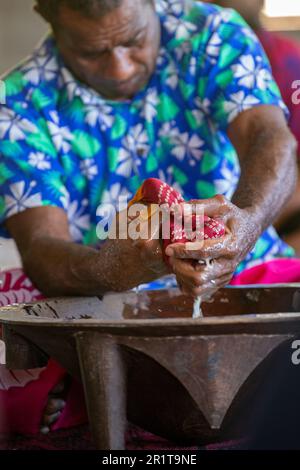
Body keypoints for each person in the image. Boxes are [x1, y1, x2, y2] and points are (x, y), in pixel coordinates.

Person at [0, 0, 297, 441]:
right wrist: (109, 270)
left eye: (134, 41)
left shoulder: (211, 33)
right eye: (92, 52)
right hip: (102, 307)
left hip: (248, 272)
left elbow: (268, 136)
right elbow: (43, 248)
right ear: (47, 13)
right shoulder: (17, 106)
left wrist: (247, 222)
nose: (119, 68)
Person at [203, 0, 300, 253]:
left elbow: (277, 144)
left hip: (281, 214)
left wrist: (253, 220)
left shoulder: (287, 62)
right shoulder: (198, 43)